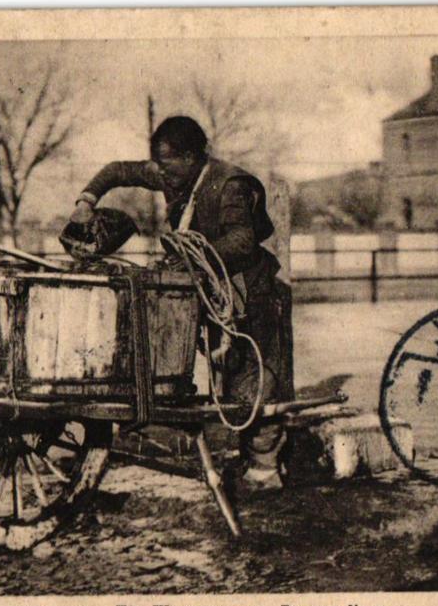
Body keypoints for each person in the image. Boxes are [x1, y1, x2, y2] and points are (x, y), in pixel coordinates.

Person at [70, 116, 295, 490]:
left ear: (191, 157)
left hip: (248, 291)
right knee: (228, 370)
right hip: (209, 283)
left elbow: (242, 239)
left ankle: (265, 469)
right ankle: (247, 453)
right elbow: (116, 171)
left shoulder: (229, 185)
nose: (159, 172)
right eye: (157, 163)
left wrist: (192, 256)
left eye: (166, 162)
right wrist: (86, 201)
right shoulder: (172, 174)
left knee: (255, 375)